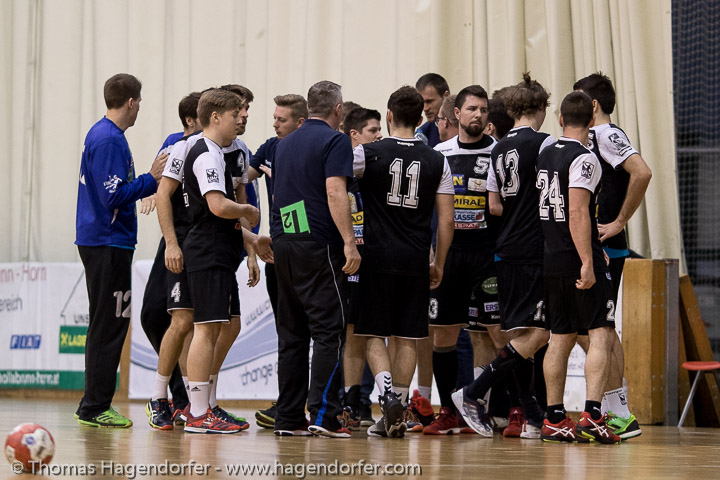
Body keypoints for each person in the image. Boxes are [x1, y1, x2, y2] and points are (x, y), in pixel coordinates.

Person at [453, 74, 554, 439]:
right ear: (541, 108)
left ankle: (531, 415)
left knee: (521, 333)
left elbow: (494, 205)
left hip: (504, 247)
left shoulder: (497, 149)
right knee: (540, 333)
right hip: (533, 249)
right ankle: (473, 392)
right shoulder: (547, 143)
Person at [351, 86, 454, 438]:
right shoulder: (438, 160)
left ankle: (387, 397)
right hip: (415, 258)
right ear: (420, 117)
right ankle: (396, 408)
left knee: (372, 333)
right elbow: (447, 220)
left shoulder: (366, 153)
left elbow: (336, 187)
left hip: (376, 255)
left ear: (389, 116)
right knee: (408, 336)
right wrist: (439, 262)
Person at [75, 73, 166, 427]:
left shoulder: (104, 135)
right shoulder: (109, 139)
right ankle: (95, 406)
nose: (140, 107)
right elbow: (112, 195)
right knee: (109, 324)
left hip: (104, 240)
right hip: (107, 241)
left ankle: (92, 403)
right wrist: (150, 180)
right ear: (130, 102)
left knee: (106, 322)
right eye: (139, 101)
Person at [271, 80, 360, 438]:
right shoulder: (335, 140)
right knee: (329, 332)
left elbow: (279, 196)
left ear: (309, 108)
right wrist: (349, 242)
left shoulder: (284, 143)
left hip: (285, 242)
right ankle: (324, 414)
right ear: (338, 110)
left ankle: (288, 418)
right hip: (319, 245)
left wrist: (281, 238)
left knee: (292, 335)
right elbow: (335, 191)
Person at [535, 91, 620, 444]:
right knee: (601, 333)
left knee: (560, 337)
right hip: (575, 257)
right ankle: (593, 415)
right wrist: (588, 260)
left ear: (560, 119)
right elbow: (577, 211)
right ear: (592, 120)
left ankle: (554, 417)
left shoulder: (545, 152)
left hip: (551, 255)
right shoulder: (585, 158)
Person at [573, 72, 652, 440]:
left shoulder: (605, 135)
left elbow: (642, 173)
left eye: (578, 99)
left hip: (605, 247)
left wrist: (619, 221)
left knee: (599, 329)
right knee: (596, 329)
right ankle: (615, 408)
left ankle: (619, 411)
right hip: (594, 245)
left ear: (592, 105)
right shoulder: (594, 137)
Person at [181, 89, 259, 433]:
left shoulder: (219, 152)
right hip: (208, 248)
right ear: (215, 117)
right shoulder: (206, 154)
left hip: (220, 247)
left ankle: (206, 404)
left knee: (226, 324)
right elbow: (218, 205)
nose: (239, 119)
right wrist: (248, 210)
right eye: (233, 115)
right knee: (206, 328)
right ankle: (198, 412)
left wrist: (252, 240)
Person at [424, 85, 499, 435]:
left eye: (483, 110)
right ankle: (448, 411)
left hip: (487, 255)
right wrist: (431, 252)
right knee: (443, 335)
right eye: (472, 109)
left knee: (496, 335)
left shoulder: (499, 152)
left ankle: (495, 408)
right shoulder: (439, 153)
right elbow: (428, 210)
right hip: (450, 255)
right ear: (456, 113)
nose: (478, 115)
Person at [140, 92, 201, 428]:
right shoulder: (175, 144)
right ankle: (173, 396)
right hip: (175, 241)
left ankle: (193, 401)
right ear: (192, 120)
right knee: (156, 315)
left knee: (191, 322)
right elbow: (161, 183)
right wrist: (153, 190)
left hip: (206, 245)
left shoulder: (227, 150)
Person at [248, 93, 308, 430]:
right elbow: (241, 177)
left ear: (300, 123)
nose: (274, 124)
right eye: (274, 118)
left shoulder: (314, 148)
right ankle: (289, 406)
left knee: (322, 334)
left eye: (281, 120)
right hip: (279, 252)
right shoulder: (270, 147)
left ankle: (326, 406)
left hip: (310, 252)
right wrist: (250, 231)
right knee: (288, 334)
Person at [340, 106, 383, 430]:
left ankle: (369, 401)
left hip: (378, 258)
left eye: (380, 129)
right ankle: (350, 402)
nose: (379, 135)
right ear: (354, 135)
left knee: (370, 331)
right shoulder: (339, 170)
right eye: (373, 130)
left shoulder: (379, 166)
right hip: (347, 258)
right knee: (350, 331)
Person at [415, 73, 451, 148]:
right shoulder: (422, 135)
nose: (425, 108)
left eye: (429, 101)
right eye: (422, 102)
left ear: (446, 96)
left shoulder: (467, 127)